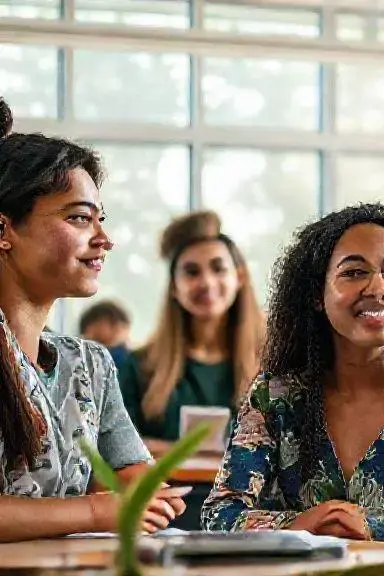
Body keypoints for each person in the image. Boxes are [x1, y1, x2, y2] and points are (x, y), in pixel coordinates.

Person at [201, 203, 384, 543]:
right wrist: (303, 524)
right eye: (354, 272)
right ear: (316, 294)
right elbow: (220, 513)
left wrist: (365, 523)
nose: (378, 287)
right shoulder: (274, 395)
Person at [0, 97, 186, 541]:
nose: (104, 239)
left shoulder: (91, 364)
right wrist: (95, 512)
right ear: (4, 230)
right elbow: (102, 507)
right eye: (79, 218)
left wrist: (143, 491)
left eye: (101, 220)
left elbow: (124, 473)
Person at [116, 211, 263, 443]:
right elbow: (119, 451)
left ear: (240, 276)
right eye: (192, 272)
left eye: (218, 268)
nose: (206, 282)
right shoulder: (139, 368)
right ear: (174, 287)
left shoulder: (272, 363)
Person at [78, 299, 131, 366]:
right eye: (112, 323)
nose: (117, 329)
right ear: (91, 326)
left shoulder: (124, 358)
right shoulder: (77, 356)